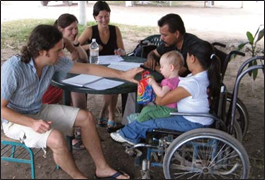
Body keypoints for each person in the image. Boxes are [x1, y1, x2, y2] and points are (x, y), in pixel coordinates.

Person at [1, 24, 143, 179]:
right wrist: (32, 123)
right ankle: (80, 178)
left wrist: (122, 74)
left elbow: (87, 69)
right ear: (42, 52)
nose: (62, 54)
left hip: (36, 110)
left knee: (86, 117)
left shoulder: (52, 61)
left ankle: (102, 168)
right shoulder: (14, 68)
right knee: (56, 139)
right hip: (14, 121)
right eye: (58, 50)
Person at [110, 40, 221, 145]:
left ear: (192, 58)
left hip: (193, 122)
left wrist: (154, 86)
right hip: (197, 118)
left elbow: (161, 101)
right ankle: (130, 129)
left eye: (187, 56)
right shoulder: (203, 76)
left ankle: (128, 135)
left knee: (152, 122)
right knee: (150, 114)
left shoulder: (193, 83)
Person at [122, 13, 202, 125]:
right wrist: (151, 58)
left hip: (181, 93)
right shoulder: (170, 42)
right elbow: (153, 53)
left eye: (165, 35)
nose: (161, 38)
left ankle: (136, 125)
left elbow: (179, 71)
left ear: (177, 33)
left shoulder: (191, 46)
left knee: (144, 90)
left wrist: (154, 66)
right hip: (171, 85)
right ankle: (128, 124)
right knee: (137, 88)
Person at [42, 13, 88, 150]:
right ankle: (75, 131)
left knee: (76, 88)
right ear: (60, 29)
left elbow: (84, 59)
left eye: (76, 28)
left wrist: (76, 44)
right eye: (71, 29)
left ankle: (80, 127)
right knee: (74, 90)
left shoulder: (66, 42)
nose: (75, 32)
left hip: (60, 82)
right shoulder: (54, 45)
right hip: (48, 87)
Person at [78, 1, 126, 128]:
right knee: (111, 86)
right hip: (94, 66)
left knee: (116, 84)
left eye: (107, 16)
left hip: (113, 65)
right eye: (101, 17)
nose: (104, 20)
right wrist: (90, 46)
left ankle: (109, 114)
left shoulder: (115, 30)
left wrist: (120, 51)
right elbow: (75, 47)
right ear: (95, 18)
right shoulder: (90, 31)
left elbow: (122, 50)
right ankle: (106, 112)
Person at [132, 51, 184, 123]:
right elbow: (167, 90)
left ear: (171, 67)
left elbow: (161, 93)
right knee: (148, 109)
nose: (160, 69)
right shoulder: (178, 80)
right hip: (175, 108)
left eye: (162, 67)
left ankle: (136, 123)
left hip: (167, 109)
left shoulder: (168, 81)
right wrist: (158, 85)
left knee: (146, 110)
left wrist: (153, 83)